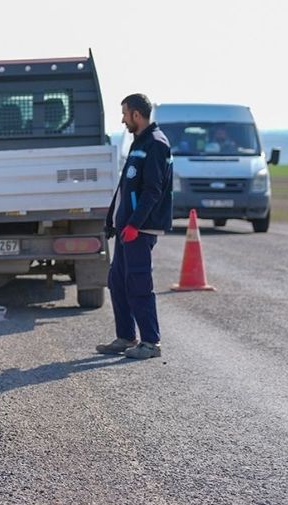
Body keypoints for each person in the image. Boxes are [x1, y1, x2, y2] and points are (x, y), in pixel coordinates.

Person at [97, 93, 173, 360]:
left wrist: (134, 224)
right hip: (126, 229)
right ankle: (126, 337)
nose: (122, 119)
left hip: (139, 231)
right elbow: (126, 187)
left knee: (139, 284)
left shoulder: (155, 144)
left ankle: (151, 342)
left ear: (137, 115)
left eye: (125, 114)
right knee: (118, 282)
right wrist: (112, 220)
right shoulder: (139, 143)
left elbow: (153, 191)